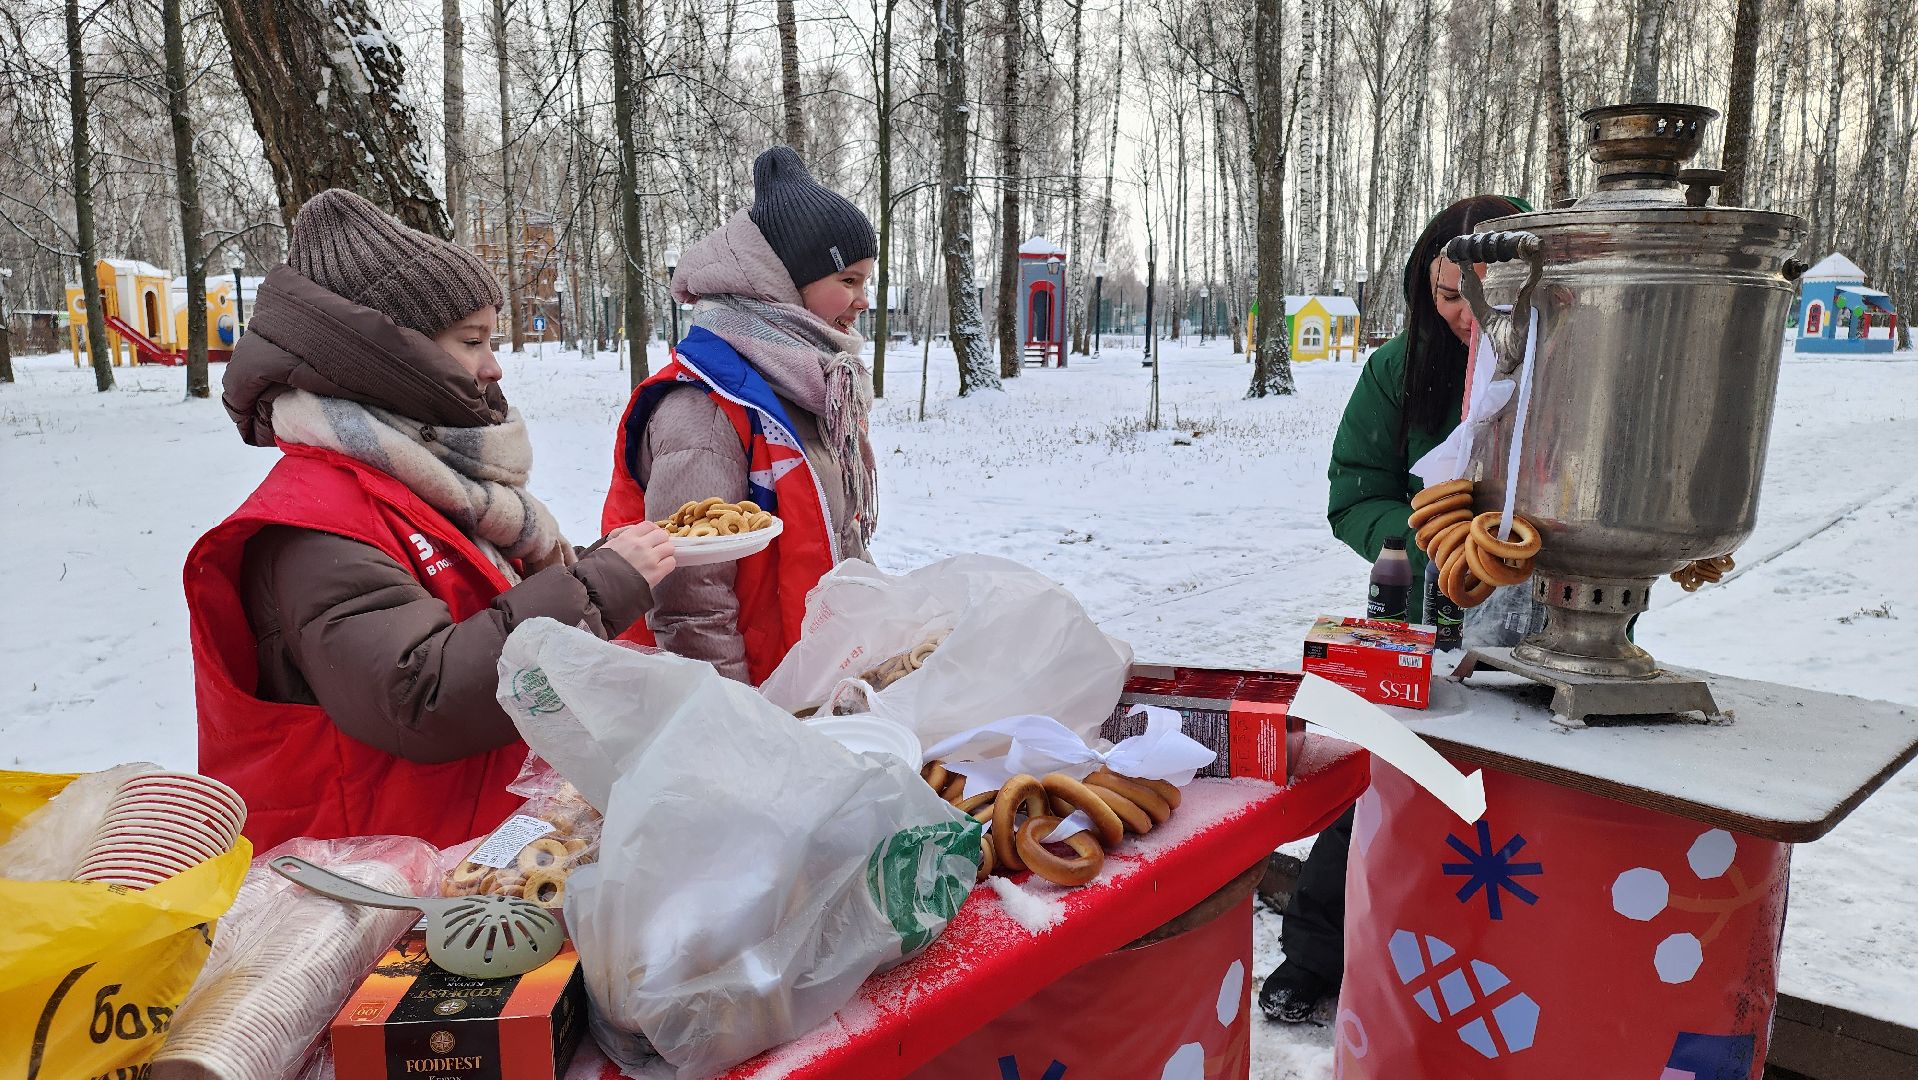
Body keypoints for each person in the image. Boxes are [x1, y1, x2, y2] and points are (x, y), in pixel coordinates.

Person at [185, 189, 677, 852]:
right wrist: (595, 589)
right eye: (472, 341)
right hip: (375, 889)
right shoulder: (315, 522)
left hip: (462, 850)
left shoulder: (425, 476)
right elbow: (419, 695)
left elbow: (478, 597)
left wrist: (600, 564)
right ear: (387, 360)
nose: (494, 366)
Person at [1260, 193, 1531, 1023]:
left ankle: (1491, 963)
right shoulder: (1399, 370)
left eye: (1487, 294)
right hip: (1415, 619)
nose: (1467, 314)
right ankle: (1314, 955)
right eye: (1449, 295)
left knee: (1522, 799)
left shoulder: (1571, 369)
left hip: (1539, 624)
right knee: (1381, 782)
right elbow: (1356, 498)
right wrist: (1435, 545)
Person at [603, 146, 878, 685]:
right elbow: (688, 600)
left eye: (866, 281)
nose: (862, 300)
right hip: (749, 691)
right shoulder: (703, 405)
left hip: (806, 675)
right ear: (781, 280)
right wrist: (734, 716)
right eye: (848, 280)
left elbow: (842, 533)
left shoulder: (813, 383)